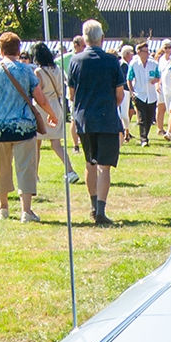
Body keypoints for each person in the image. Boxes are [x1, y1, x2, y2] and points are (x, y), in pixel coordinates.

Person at [0, 31, 57, 222]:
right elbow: (40, 98)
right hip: (23, 126)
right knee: (26, 167)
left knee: (1, 168)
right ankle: (26, 210)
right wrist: (52, 114)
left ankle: (3, 207)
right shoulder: (27, 70)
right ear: (19, 50)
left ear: (0, 49)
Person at [66, 19, 125, 224]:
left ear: (84, 38)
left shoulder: (75, 61)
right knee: (104, 166)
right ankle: (100, 209)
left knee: (90, 162)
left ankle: (93, 206)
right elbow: (119, 94)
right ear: (102, 38)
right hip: (106, 117)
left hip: (84, 119)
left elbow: (71, 93)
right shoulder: (111, 61)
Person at [32, 40, 79, 184]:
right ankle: (70, 170)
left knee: (36, 144)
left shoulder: (39, 72)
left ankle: (35, 175)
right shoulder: (57, 69)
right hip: (57, 105)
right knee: (56, 144)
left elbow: (37, 92)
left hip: (43, 106)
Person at [126, 40, 160, 145]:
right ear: (139, 52)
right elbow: (129, 78)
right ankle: (143, 139)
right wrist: (132, 91)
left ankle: (146, 134)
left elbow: (158, 76)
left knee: (149, 118)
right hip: (139, 94)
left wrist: (156, 80)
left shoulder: (153, 64)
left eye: (147, 51)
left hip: (151, 95)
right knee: (142, 117)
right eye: (145, 51)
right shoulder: (134, 64)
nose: (147, 53)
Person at [155, 39, 171, 139]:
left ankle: (169, 132)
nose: (168, 50)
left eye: (170, 47)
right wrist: (157, 84)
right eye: (166, 47)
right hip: (165, 89)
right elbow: (160, 74)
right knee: (170, 111)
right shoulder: (161, 59)